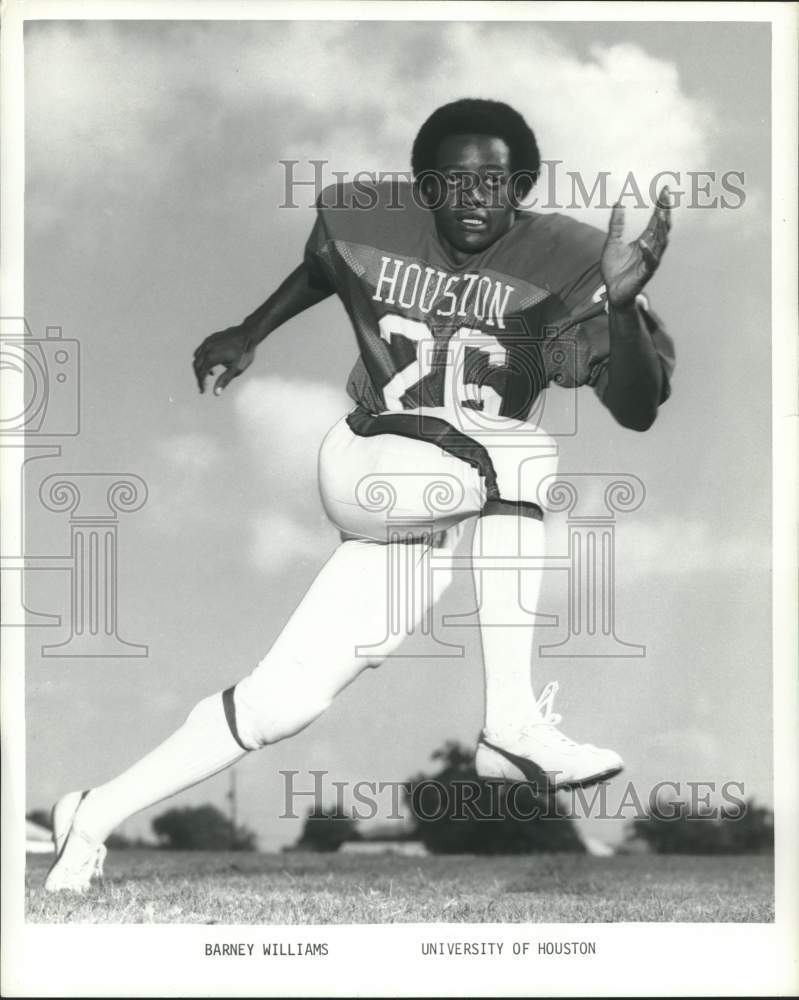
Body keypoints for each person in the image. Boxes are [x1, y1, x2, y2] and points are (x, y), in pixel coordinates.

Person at [45, 98, 674, 892]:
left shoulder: (569, 261)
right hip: (370, 458)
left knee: (282, 703)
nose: (474, 196)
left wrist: (618, 304)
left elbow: (637, 409)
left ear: (520, 188)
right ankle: (512, 722)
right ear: (423, 187)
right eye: (453, 180)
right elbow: (322, 266)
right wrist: (250, 330)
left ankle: (90, 814)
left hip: (439, 514)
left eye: (494, 181)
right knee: (525, 450)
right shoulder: (369, 218)